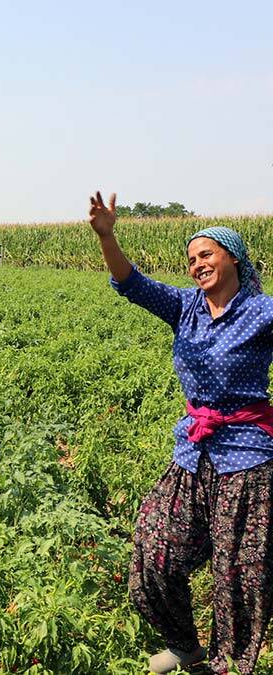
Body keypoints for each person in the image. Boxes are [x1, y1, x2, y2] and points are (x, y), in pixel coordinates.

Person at [89, 192, 273, 675]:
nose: (197, 265)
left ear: (233, 256)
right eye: (191, 259)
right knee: (154, 549)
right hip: (192, 449)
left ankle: (230, 664)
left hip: (247, 455)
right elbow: (129, 282)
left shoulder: (263, 312)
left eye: (207, 254)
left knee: (240, 575)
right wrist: (108, 236)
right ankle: (185, 645)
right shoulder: (185, 306)